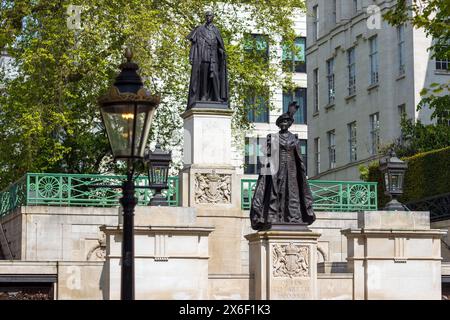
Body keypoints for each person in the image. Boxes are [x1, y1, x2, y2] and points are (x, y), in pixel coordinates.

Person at [250, 101, 316, 230]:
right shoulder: (273, 137)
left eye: (286, 122)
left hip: (292, 170)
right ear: (279, 124)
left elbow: (298, 157)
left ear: (290, 124)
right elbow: (265, 154)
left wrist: (301, 171)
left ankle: (293, 217)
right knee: (275, 192)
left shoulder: (294, 138)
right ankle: (273, 217)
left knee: (292, 193)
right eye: (282, 122)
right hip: (276, 169)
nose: (284, 124)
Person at [186, 11, 228, 108]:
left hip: (214, 57)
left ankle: (217, 97)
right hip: (203, 56)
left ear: (213, 17)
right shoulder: (200, 29)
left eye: (210, 16)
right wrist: (192, 56)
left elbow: (220, 44)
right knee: (204, 77)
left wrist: (221, 51)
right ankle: (204, 96)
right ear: (205, 17)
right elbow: (194, 44)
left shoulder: (216, 30)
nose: (209, 17)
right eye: (207, 16)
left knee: (215, 77)